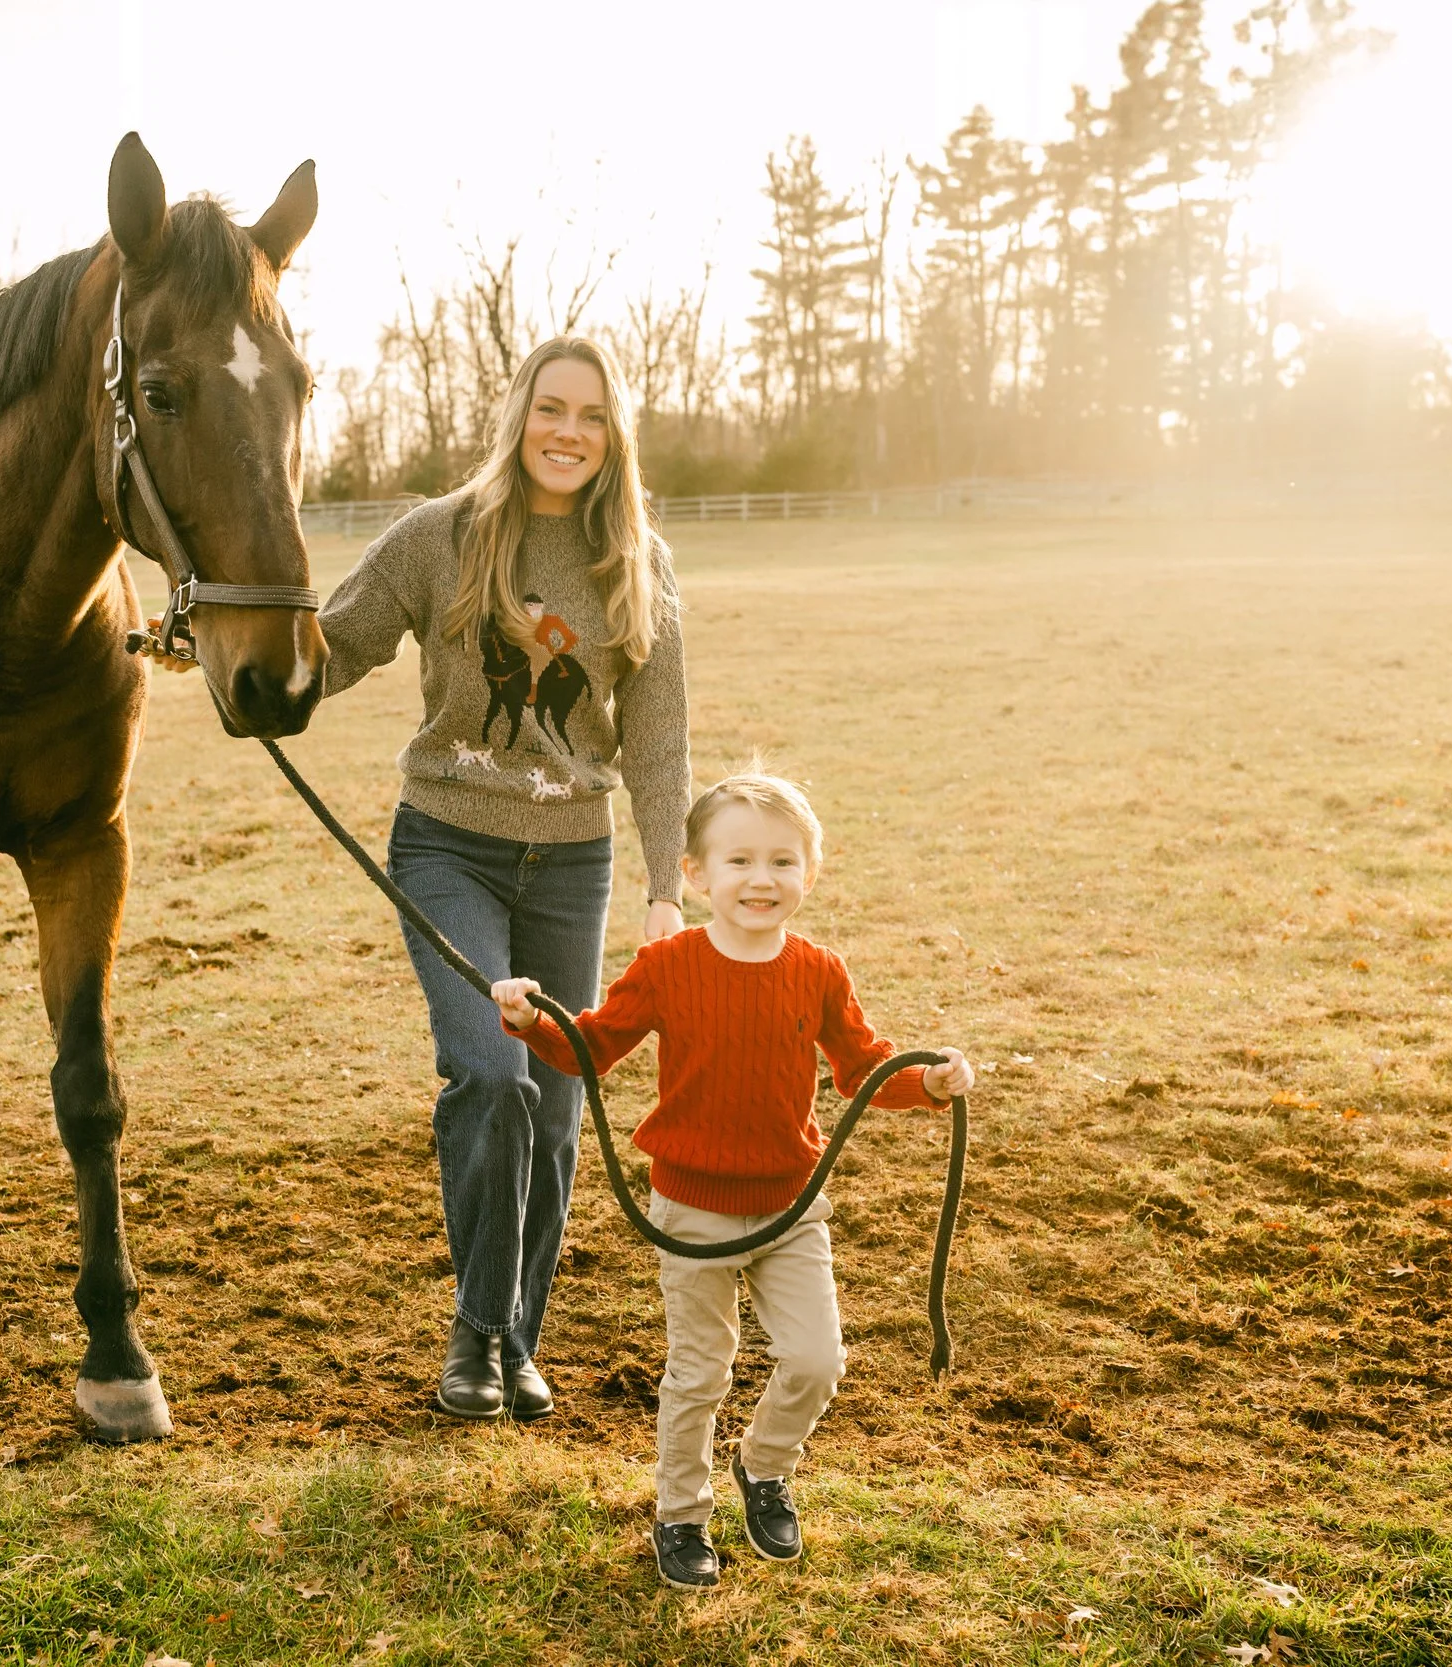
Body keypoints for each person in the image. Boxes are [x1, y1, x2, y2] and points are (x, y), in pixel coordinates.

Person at [314, 338, 691, 1423]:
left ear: (612, 433)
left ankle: (510, 1340)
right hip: (448, 848)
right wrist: (232, 650)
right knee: (492, 1073)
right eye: (549, 409)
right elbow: (335, 646)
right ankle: (480, 1335)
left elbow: (656, 737)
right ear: (518, 414)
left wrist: (665, 887)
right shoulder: (440, 536)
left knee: (559, 1110)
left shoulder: (636, 563)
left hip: (575, 861)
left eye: (589, 415)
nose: (567, 432)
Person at [491, 772, 973, 1590]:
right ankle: (681, 1513)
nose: (761, 878)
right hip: (691, 1208)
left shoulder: (819, 970)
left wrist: (926, 1083)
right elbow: (592, 1048)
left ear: (809, 874)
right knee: (700, 1369)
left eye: (783, 861)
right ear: (695, 873)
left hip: (791, 1204)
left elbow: (861, 1068)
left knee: (818, 1360)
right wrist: (532, 1019)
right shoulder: (667, 964)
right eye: (740, 858)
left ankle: (764, 1465)